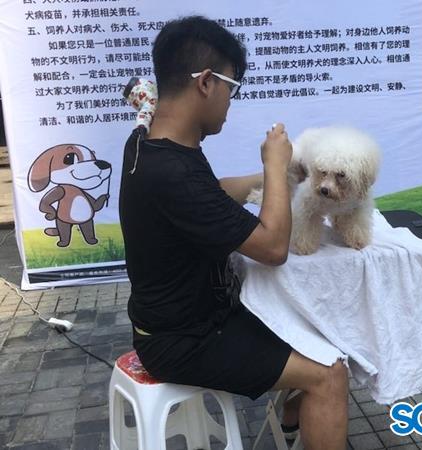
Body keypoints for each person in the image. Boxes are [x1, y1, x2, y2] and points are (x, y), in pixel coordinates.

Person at [118, 15, 348, 449]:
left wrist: (281, 179)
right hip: (186, 341)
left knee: (318, 326)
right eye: (232, 88)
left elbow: (211, 194)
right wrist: (275, 166)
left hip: (182, 322)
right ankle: (310, 405)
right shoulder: (174, 172)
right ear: (206, 82)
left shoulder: (149, 142)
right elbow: (273, 247)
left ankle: (296, 421)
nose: (230, 103)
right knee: (330, 374)